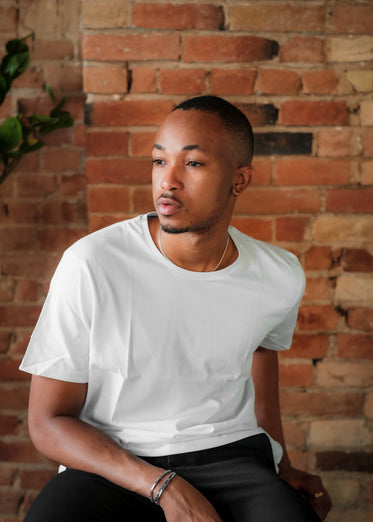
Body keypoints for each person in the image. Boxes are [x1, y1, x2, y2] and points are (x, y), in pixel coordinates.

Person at [20, 95, 331, 522]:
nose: (168, 181)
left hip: (232, 458)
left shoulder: (279, 274)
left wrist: (280, 464)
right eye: (159, 161)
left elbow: (261, 350)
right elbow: (47, 421)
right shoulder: (92, 263)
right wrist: (164, 486)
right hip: (109, 462)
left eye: (194, 164)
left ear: (240, 180)